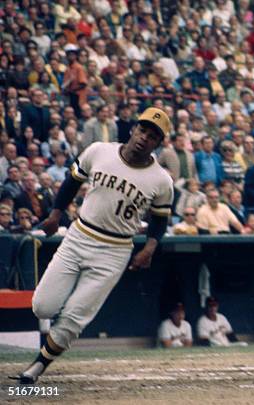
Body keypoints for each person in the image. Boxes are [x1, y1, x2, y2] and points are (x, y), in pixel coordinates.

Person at [11, 107, 174, 384]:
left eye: (153, 136)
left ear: (158, 143)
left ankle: (36, 368)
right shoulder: (99, 150)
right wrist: (54, 213)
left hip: (115, 250)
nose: (144, 138)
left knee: (75, 318)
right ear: (134, 128)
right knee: (42, 306)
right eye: (143, 130)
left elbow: (160, 219)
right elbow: (72, 182)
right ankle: (58, 328)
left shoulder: (161, 180)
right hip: (80, 236)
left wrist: (150, 247)